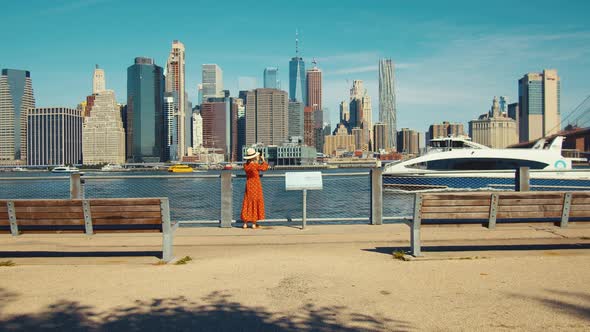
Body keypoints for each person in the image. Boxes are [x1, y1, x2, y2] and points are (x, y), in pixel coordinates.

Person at [240, 147, 269, 229]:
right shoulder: (255, 165)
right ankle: (253, 223)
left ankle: (245, 223)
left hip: (249, 184)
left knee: (247, 202)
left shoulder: (245, 165)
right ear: (253, 157)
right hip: (256, 185)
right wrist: (263, 160)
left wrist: (257, 160)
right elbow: (264, 168)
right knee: (255, 202)